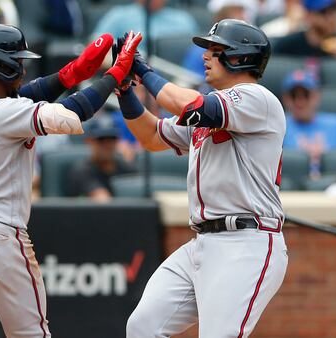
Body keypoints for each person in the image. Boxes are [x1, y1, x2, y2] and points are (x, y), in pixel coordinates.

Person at [0, 24, 141, 337]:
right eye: (17, 63)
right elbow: (72, 115)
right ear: (2, 66)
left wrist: (70, 75)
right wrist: (114, 76)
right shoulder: (1, 113)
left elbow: (23, 98)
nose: (22, 70)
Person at [116, 19, 288, 337]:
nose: (206, 56)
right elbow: (152, 137)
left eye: (215, 49)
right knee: (143, 327)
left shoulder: (257, 98)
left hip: (246, 242)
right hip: (203, 242)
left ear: (240, 56)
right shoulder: (211, 107)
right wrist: (126, 90)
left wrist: (142, 70)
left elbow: (192, 106)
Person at [281, 69, 336, 178]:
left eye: (306, 95)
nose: (299, 102)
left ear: (316, 96)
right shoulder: (278, 126)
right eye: (293, 95)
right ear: (285, 98)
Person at [68, 115, 137, 201]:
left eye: (112, 139)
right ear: (90, 141)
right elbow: (102, 199)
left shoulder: (126, 168)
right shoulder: (82, 171)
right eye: (101, 140)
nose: (107, 145)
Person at [91, 0, 199, 52]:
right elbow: (95, 45)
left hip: (175, 80)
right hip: (131, 79)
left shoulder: (184, 20)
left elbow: (196, 54)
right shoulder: (118, 15)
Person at [272, 0, 336, 59]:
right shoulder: (288, 45)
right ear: (308, 16)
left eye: (333, 10)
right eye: (323, 12)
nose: (331, 17)